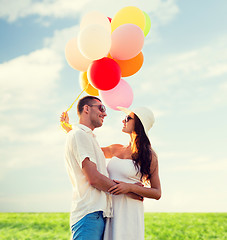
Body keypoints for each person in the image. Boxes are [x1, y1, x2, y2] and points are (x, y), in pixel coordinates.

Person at [62, 96, 142, 240]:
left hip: (96, 214)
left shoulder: (85, 136)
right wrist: (129, 190)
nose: (105, 113)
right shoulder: (79, 134)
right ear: (86, 109)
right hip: (89, 214)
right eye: (101, 108)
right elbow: (94, 178)